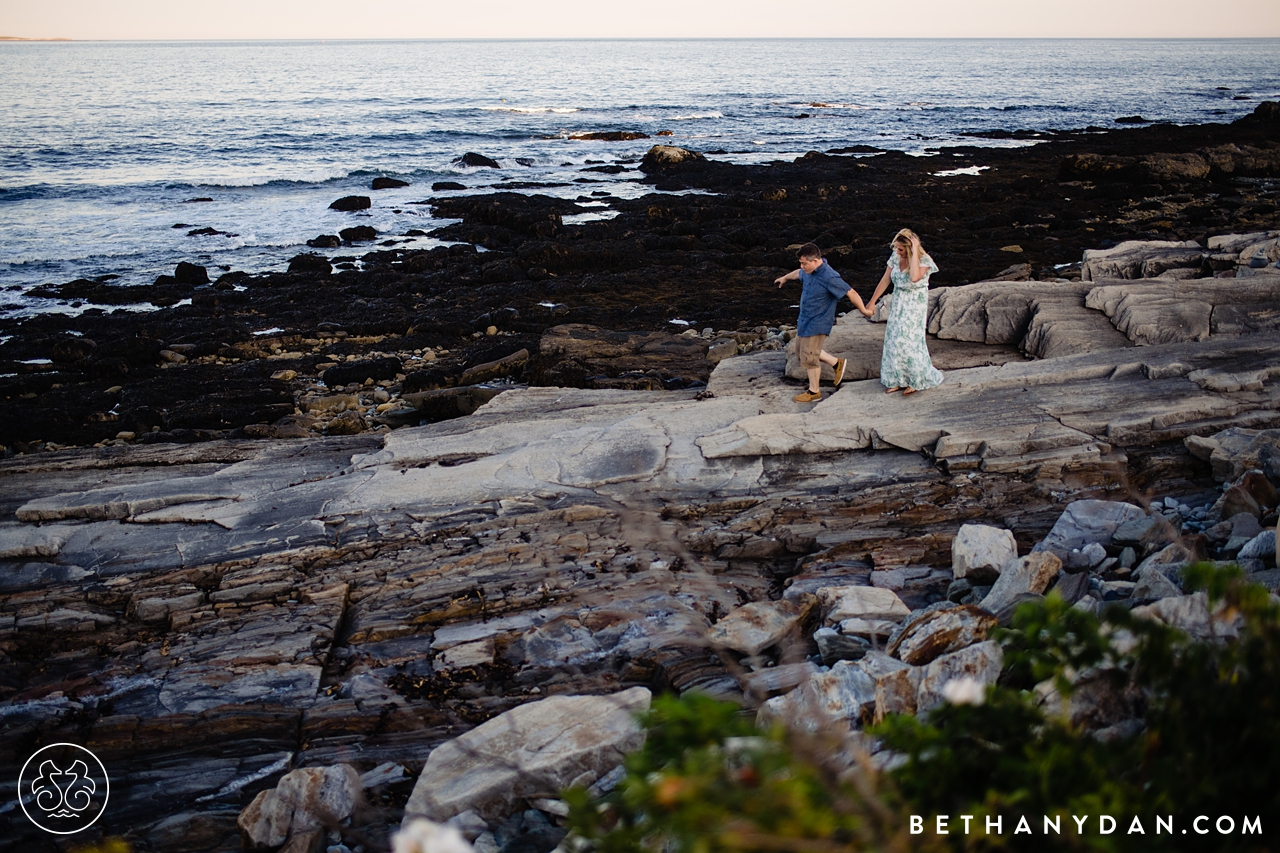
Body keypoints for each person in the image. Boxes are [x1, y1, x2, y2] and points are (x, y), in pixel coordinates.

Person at [775, 242, 873, 403]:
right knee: (801, 352)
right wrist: (784, 278)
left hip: (818, 322)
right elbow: (798, 273)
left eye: (804, 263)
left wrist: (864, 311)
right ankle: (836, 363)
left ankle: (814, 392)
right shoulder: (808, 271)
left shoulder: (829, 276)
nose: (802, 266)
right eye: (801, 263)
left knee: (809, 357)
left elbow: (850, 292)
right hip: (805, 320)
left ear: (815, 261)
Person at [866, 228, 943, 396]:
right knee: (894, 341)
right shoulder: (896, 256)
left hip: (914, 306)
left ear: (909, 248)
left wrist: (915, 252)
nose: (897, 252)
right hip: (898, 302)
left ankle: (915, 380)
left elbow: (914, 277)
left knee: (909, 342)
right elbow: (886, 279)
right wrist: (872, 302)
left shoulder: (924, 261)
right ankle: (897, 380)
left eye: (901, 249)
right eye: (896, 248)